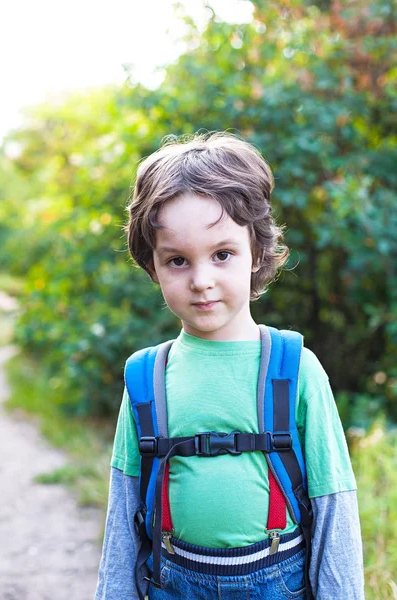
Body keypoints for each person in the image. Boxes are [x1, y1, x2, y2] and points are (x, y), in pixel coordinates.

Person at [95, 132, 365, 600]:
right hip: (173, 583)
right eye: (177, 260)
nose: (202, 281)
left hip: (277, 584)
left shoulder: (295, 368)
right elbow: (123, 514)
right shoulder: (145, 377)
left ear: (256, 251)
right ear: (152, 267)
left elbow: (333, 506)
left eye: (222, 254)